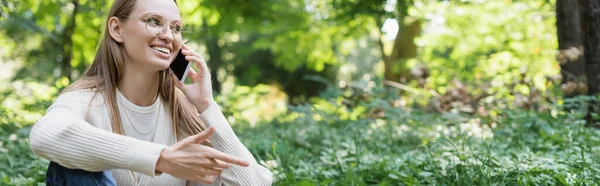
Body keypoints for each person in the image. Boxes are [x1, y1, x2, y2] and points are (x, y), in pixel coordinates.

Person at [28, 0, 273, 185]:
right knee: (71, 164)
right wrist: (161, 158)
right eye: (153, 21)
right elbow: (45, 135)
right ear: (117, 29)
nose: (168, 36)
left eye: (176, 28)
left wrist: (206, 105)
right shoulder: (86, 100)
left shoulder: (183, 112)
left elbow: (256, 183)